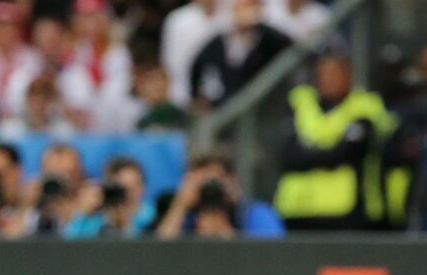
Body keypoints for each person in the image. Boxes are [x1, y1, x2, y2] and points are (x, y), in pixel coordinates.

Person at [273, 52, 403, 230]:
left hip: (347, 210)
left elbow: (349, 152)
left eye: (335, 74)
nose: (328, 80)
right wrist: (331, 147)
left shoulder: (364, 105)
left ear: (348, 76)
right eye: (323, 75)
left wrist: (309, 148)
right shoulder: (300, 102)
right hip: (297, 209)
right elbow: (288, 156)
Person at [155, 149, 285, 238]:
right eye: (202, 181)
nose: (209, 190)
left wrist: (227, 236)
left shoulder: (253, 213)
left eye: (215, 181)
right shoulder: (185, 215)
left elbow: (272, 256)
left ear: (232, 180)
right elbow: (158, 254)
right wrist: (180, 204)